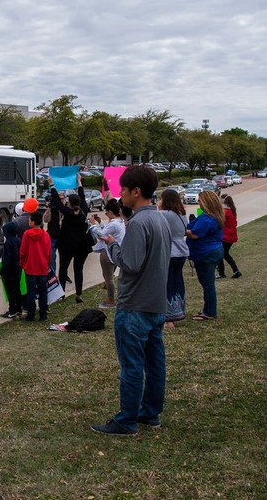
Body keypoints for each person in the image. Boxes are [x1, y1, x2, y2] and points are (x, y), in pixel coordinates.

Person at [92, 165, 171, 436]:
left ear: (136, 192)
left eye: (124, 190)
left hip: (135, 305)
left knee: (132, 366)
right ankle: (150, 413)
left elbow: (130, 263)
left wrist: (112, 244)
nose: (121, 195)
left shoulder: (139, 222)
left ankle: (126, 421)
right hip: (155, 304)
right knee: (154, 363)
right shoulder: (160, 218)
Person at [49, 174, 91, 303]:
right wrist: (79, 182)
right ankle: (79, 295)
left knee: (63, 269)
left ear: (70, 203)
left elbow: (56, 200)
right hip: (82, 246)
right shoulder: (84, 211)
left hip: (66, 246)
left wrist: (52, 184)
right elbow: (82, 196)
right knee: (78, 270)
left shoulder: (67, 213)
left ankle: (62, 294)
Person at [186, 190, 224, 321]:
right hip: (215, 250)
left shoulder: (208, 218)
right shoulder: (212, 215)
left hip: (206, 253)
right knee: (208, 283)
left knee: (207, 283)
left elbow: (195, 234)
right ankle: (208, 309)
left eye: (200, 200)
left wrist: (179, 230)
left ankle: (209, 312)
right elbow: (191, 225)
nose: (198, 202)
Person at [158, 189, 189, 327]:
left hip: (170, 253)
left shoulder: (165, 214)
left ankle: (169, 318)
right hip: (181, 252)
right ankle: (179, 310)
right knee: (178, 282)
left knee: (168, 283)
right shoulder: (181, 214)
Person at [90, 199, 126, 309]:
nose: (106, 214)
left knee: (108, 278)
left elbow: (100, 234)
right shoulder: (120, 221)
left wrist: (92, 225)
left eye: (106, 212)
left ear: (110, 212)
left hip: (108, 253)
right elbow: (107, 229)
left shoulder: (114, 224)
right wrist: (100, 221)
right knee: (108, 277)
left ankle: (110, 300)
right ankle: (110, 296)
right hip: (115, 251)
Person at [19, 212, 51, 322]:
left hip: (30, 267)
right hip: (42, 267)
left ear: (33, 222)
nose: (28, 221)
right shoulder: (45, 235)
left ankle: (31, 315)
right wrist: (47, 263)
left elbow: (23, 251)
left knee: (31, 292)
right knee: (43, 292)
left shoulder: (27, 234)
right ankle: (43, 314)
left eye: (29, 220)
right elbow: (48, 251)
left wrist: (22, 263)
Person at [0, 221, 22, 319]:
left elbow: (6, 260)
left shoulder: (7, 243)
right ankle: (19, 309)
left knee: (10, 292)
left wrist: (1, 272)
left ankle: (12, 310)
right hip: (18, 270)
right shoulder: (18, 240)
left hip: (9, 272)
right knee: (17, 290)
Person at [217, 195, 241, 279]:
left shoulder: (225, 211)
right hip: (231, 235)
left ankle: (231, 271)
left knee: (222, 254)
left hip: (225, 236)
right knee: (223, 253)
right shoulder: (232, 210)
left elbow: (220, 222)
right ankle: (229, 271)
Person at [42, 190, 65, 274]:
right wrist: (49, 208)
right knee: (52, 258)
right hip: (52, 237)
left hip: (63, 237)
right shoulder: (52, 208)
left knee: (64, 259)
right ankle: (53, 277)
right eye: (60, 199)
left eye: (62, 198)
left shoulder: (66, 209)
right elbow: (45, 220)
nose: (61, 200)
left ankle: (63, 275)